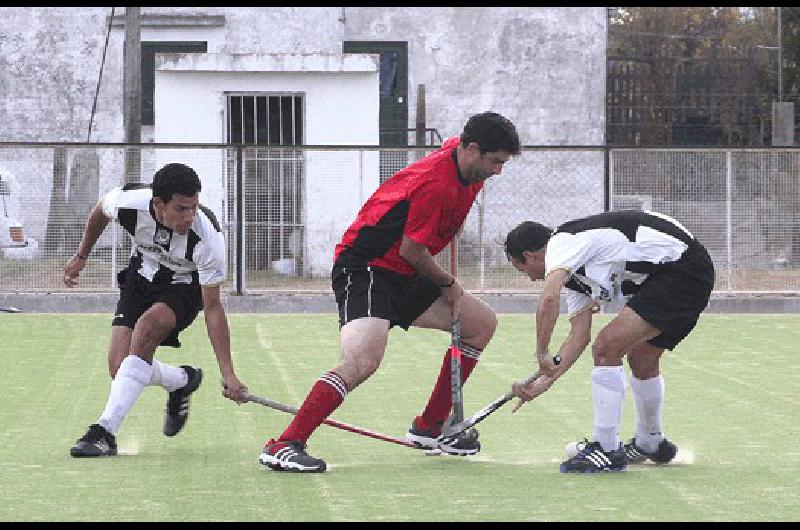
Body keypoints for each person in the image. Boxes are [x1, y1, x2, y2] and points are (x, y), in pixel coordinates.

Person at [258, 111, 521, 472]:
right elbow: (412, 250)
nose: (498, 171)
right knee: (362, 361)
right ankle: (286, 443)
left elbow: (446, 227)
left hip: (404, 270)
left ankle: (431, 426)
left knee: (480, 323)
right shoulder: (435, 183)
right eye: (495, 162)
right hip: (367, 266)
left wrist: (452, 278)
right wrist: (447, 282)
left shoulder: (466, 165)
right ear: (472, 149)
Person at [505, 210, 715, 473]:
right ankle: (651, 441)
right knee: (642, 357)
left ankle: (606, 448)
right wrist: (543, 382)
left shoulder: (562, 243)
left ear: (530, 256)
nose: (531, 277)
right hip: (671, 275)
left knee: (607, 347)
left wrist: (541, 352)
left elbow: (548, 299)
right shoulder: (575, 277)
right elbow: (578, 336)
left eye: (522, 269)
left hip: (682, 269)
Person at [65, 162, 248, 457]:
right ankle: (182, 381)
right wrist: (81, 255)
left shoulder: (208, 239)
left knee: (147, 328)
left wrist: (229, 374)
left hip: (183, 287)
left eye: (194, 207)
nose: (189, 216)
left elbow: (213, 307)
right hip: (140, 276)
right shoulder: (128, 202)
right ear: (158, 204)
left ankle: (104, 432)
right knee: (120, 368)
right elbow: (100, 211)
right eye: (181, 209)